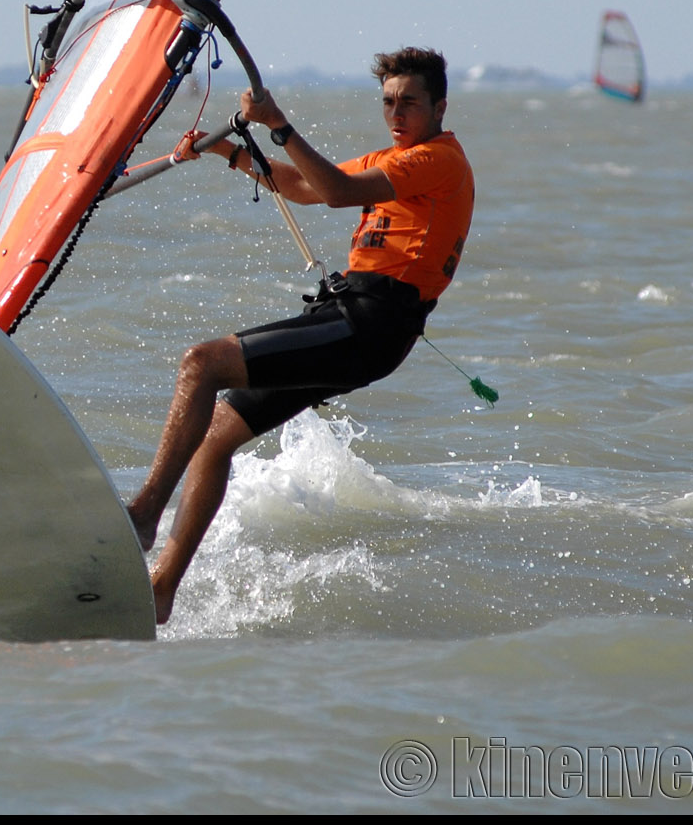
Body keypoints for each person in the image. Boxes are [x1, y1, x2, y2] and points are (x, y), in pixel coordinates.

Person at [125, 46, 474, 625]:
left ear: (439, 106)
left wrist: (279, 125)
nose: (396, 113)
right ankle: (162, 590)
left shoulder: (438, 160)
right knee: (212, 441)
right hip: (349, 320)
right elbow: (309, 187)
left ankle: (142, 515)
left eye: (409, 102)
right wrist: (231, 152)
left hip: (369, 324)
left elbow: (337, 190)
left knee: (201, 364)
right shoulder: (399, 158)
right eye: (388, 101)